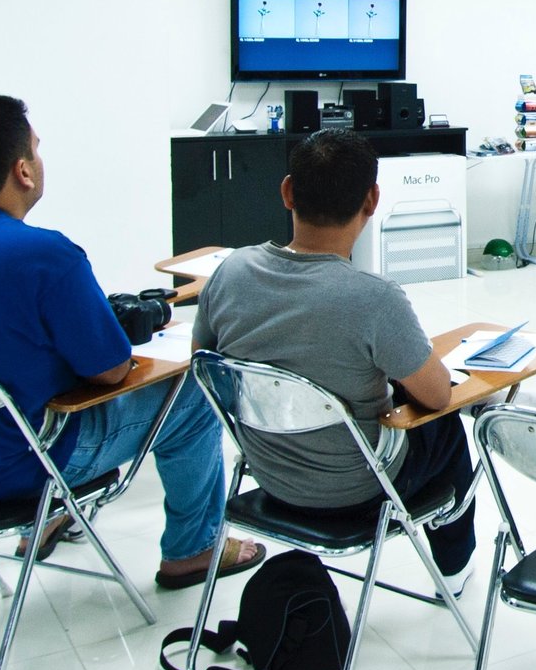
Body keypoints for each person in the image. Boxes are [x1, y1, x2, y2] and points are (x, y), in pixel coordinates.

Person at [0, 95, 259, 589]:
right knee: (193, 392)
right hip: (14, 471)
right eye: (37, 151)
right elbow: (109, 370)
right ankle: (194, 550)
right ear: (23, 171)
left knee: (37, 389)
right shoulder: (44, 255)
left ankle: (52, 517)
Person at [192, 129, 477, 582]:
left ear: (287, 191)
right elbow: (439, 396)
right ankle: (455, 569)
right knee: (447, 426)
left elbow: (205, 363)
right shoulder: (375, 299)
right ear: (372, 200)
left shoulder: (230, 273)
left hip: (268, 476)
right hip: (357, 488)